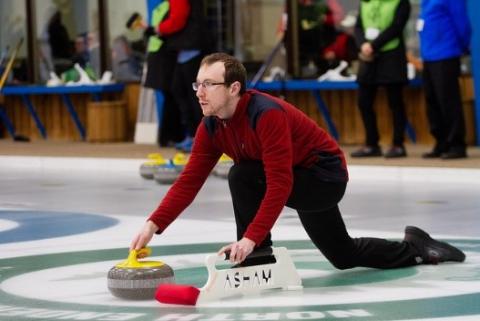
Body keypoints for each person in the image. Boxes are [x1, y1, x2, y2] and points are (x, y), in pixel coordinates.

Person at [131, 52, 465, 270]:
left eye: (208, 84)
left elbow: (279, 182)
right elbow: (189, 180)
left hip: (324, 177)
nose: (199, 92)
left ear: (234, 88)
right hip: (299, 175)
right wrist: (153, 224)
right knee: (343, 255)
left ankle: (258, 258)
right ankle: (417, 249)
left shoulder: (266, 115)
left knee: (242, 173)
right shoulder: (211, 125)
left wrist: (250, 239)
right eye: (197, 84)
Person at [144, 0, 212, 151]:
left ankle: (200, 138)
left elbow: (177, 19)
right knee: (182, 91)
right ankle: (195, 135)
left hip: (190, 47)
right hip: (187, 49)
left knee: (191, 94)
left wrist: (158, 29)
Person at [351, 0, 411, 158]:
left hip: (391, 56)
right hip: (369, 58)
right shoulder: (365, 2)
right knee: (364, 101)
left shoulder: (401, 2)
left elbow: (397, 27)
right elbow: (358, 26)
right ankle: (371, 144)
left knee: (395, 102)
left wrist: (373, 45)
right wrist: (362, 44)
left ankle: (398, 144)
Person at [418, 0, 471, 159]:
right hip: (428, 56)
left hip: (446, 53)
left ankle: (457, 144)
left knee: (448, 100)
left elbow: (462, 24)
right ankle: (441, 142)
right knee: (432, 101)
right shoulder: (425, 2)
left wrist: (462, 47)